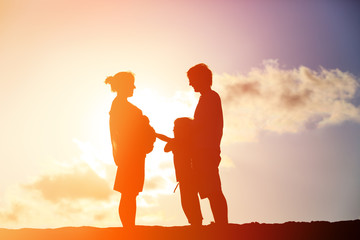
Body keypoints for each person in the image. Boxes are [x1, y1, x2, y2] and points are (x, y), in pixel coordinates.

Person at [105, 71, 155, 228]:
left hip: (133, 154)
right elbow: (124, 132)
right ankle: (129, 228)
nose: (134, 87)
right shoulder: (121, 106)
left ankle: (129, 227)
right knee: (128, 193)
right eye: (131, 84)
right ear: (124, 86)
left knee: (130, 193)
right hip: (130, 154)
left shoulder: (121, 105)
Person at [187, 63, 228, 225]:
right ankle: (221, 224)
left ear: (201, 79)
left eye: (192, 80)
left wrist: (185, 126)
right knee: (210, 189)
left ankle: (222, 225)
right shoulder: (207, 97)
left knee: (213, 190)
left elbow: (201, 124)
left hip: (206, 150)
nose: (190, 83)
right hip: (203, 150)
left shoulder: (211, 97)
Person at [156, 118, 203, 226]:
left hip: (188, 175)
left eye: (176, 128)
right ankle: (196, 222)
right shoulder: (183, 141)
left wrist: (157, 135)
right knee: (188, 201)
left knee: (189, 201)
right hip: (185, 176)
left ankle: (196, 223)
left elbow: (167, 147)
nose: (173, 130)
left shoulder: (184, 141)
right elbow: (167, 147)